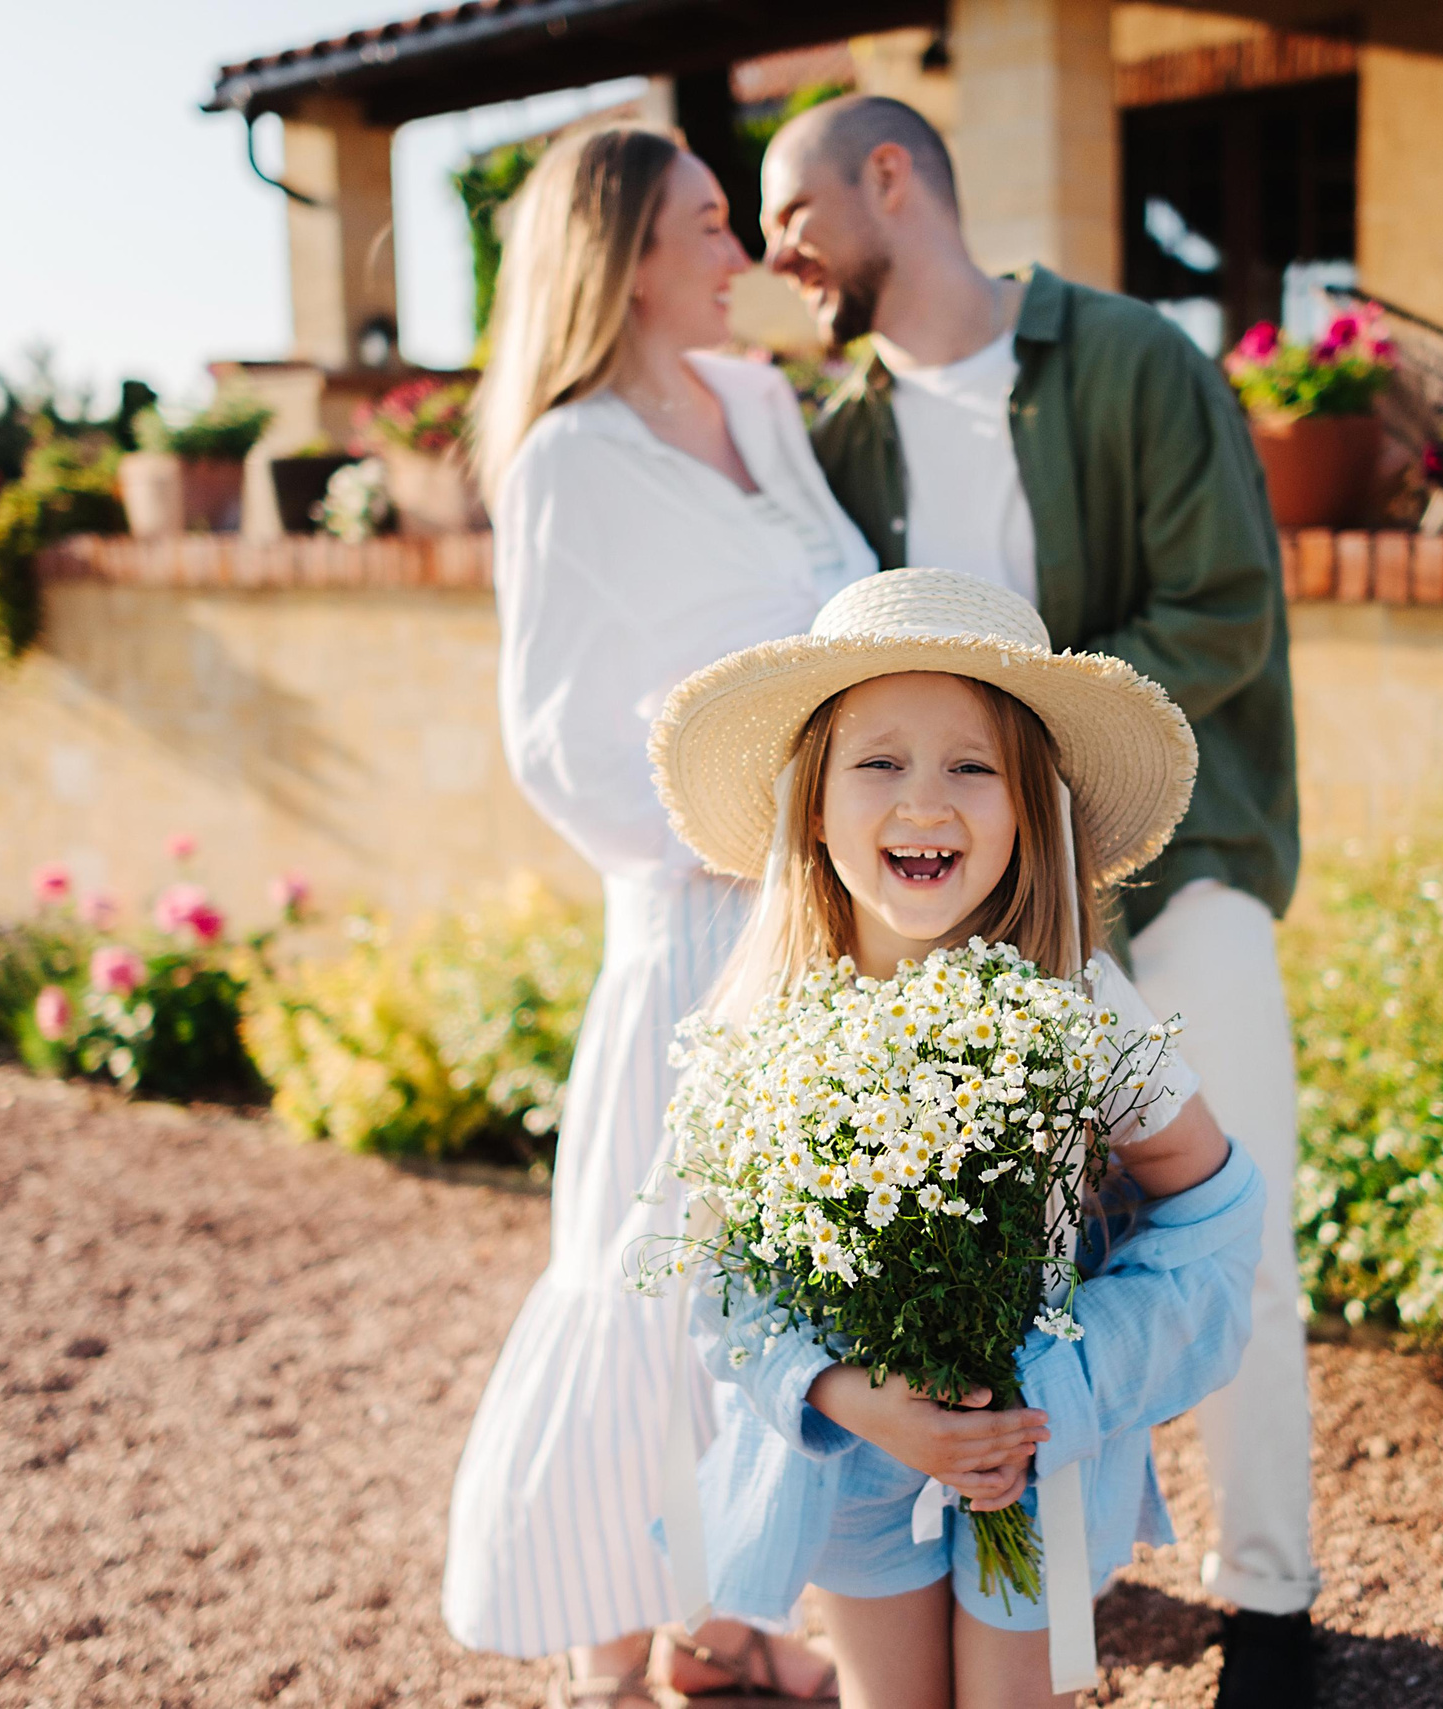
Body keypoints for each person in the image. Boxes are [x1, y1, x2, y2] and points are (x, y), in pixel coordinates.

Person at [756, 95, 1321, 1705]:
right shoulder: (841, 430)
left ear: (890, 178)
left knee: (1234, 1211)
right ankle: (988, 1537)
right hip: (966, 901)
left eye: (790, 213)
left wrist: (1039, 772)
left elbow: (1222, 612)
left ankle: (1269, 1602)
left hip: (1175, 862)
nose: (779, 256)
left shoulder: (1133, 359)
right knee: (974, 1236)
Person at [647, 568, 1264, 1709]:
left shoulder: (1075, 1003)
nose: (924, 802)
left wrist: (1059, 1378)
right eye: (878, 762)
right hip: (854, 1459)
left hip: (1031, 1457)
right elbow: (719, 1280)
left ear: (1028, 808)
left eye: (972, 767)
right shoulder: (766, 1020)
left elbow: (1215, 1207)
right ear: (813, 803)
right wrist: (849, 1395)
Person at [438, 124, 873, 1709]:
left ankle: (718, 1620)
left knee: (776, 1289)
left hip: (819, 930)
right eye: (706, 224)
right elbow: (557, 745)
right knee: (652, 1281)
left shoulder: (759, 402)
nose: (736, 253)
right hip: (694, 929)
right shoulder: (566, 458)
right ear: (623, 255)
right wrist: (743, 839)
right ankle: (604, 1652)